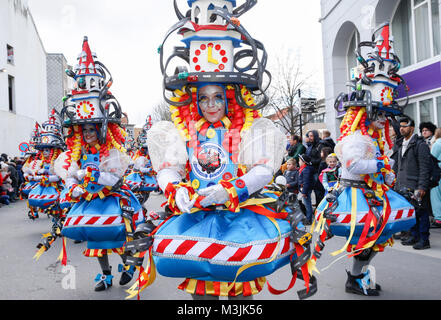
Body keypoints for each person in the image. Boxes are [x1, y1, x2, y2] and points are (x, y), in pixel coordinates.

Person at [125, 2, 316, 300]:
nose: (211, 105)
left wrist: (232, 190)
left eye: (218, 97)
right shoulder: (183, 131)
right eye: (203, 98)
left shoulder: (250, 129)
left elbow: (263, 170)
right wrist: (174, 189)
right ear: (195, 100)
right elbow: (168, 168)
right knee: (202, 291)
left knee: (239, 290)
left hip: (240, 216)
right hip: (196, 216)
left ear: (229, 99)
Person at [311, 22, 416, 296]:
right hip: (355, 197)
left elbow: (376, 165)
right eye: (379, 114)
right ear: (366, 113)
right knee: (368, 239)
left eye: (384, 115)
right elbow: (355, 165)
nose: (383, 120)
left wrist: (387, 172)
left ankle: (357, 276)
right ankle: (355, 278)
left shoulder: (370, 137)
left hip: (371, 196)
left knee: (373, 240)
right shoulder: (356, 138)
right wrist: (381, 165)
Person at [49, 37, 145, 292]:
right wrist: (74, 185)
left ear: (101, 129)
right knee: (95, 241)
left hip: (111, 199)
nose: (89, 133)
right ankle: (105, 274)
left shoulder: (111, 150)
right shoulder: (76, 151)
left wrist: (90, 175)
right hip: (88, 201)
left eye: (93, 128)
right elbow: (67, 173)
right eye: (85, 129)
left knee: (118, 235)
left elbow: (113, 177)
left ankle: (128, 264)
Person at [392, 116, 432, 249]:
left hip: (416, 184)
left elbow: (424, 168)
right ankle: (414, 236)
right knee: (411, 211)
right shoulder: (399, 143)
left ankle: (424, 239)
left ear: (412, 128)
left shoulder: (420, 144)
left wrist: (422, 186)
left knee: (422, 212)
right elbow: (397, 165)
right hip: (402, 184)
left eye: (405, 126)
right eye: (400, 126)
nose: (401, 128)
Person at [298, 154, 315, 224]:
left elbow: (306, 182)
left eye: (299, 160)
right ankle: (307, 218)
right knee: (306, 204)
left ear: (304, 162)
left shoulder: (306, 170)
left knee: (307, 205)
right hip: (304, 189)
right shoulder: (304, 169)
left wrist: (304, 192)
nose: (298, 162)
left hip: (305, 190)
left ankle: (308, 220)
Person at [430, 128, 441, 228]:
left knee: (436, 196)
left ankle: (438, 219)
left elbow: (432, 157)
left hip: (438, 172)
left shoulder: (437, 143)